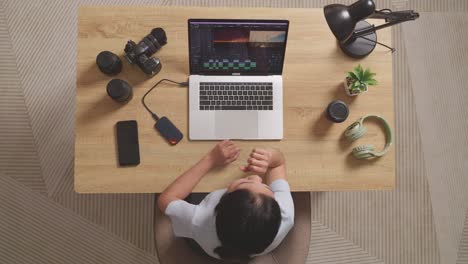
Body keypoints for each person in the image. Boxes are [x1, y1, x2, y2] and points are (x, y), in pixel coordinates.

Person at [157, 140, 294, 262]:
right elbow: (278, 164)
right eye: (266, 186)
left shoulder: (198, 219)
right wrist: (269, 156)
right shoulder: (286, 215)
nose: (257, 178)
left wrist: (211, 159)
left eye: (243, 183)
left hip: (206, 247)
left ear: (220, 203)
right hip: (248, 251)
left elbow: (165, 200)